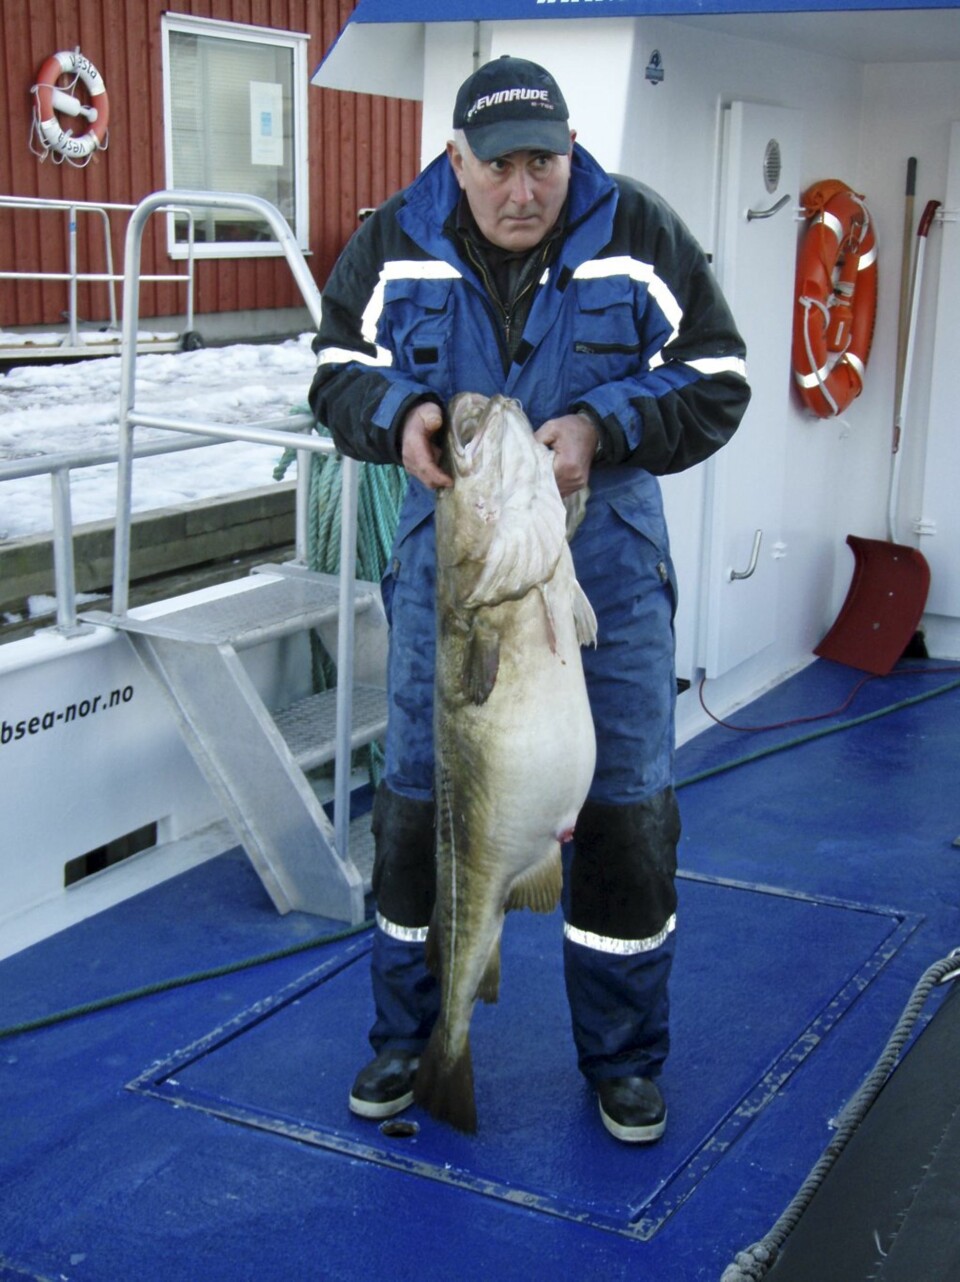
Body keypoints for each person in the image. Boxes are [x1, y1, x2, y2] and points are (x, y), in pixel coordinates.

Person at [309, 55, 750, 1143]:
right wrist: (398, 416)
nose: (521, 187)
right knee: (423, 814)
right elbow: (333, 367)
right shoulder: (391, 242)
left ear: (569, 151)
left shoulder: (640, 233)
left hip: (607, 578)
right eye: (497, 163)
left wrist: (604, 424)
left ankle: (623, 1062)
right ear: (455, 158)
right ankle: (409, 1042)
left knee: (627, 818)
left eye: (542, 161)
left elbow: (720, 379)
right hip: (456, 579)